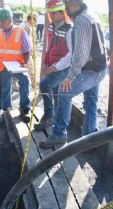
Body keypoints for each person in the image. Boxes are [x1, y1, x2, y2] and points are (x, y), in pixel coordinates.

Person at [39, 0, 107, 148]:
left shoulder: (81, 20)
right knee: (91, 102)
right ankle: (89, 139)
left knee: (65, 93)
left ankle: (59, 134)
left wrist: (71, 76)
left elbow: (79, 53)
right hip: (99, 67)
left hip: (91, 69)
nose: (67, 11)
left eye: (68, 7)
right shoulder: (92, 16)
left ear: (74, 5)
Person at [34, 0, 73, 130]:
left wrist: (55, 67)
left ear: (62, 13)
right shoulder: (51, 27)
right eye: (50, 13)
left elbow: (71, 56)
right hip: (52, 65)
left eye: (54, 13)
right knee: (55, 91)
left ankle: (49, 116)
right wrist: (45, 62)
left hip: (63, 68)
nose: (51, 15)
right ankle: (56, 116)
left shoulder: (69, 30)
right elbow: (48, 47)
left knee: (44, 84)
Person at [0, 7, 31, 121]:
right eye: (0, 21)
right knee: (5, 88)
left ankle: (24, 108)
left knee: (24, 84)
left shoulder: (21, 32)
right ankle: (7, 109)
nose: (1, 24)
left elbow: (27, 50)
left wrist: (25, 64)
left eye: (3, 21)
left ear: (10, 20)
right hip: (3, 65)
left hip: (18, 65)